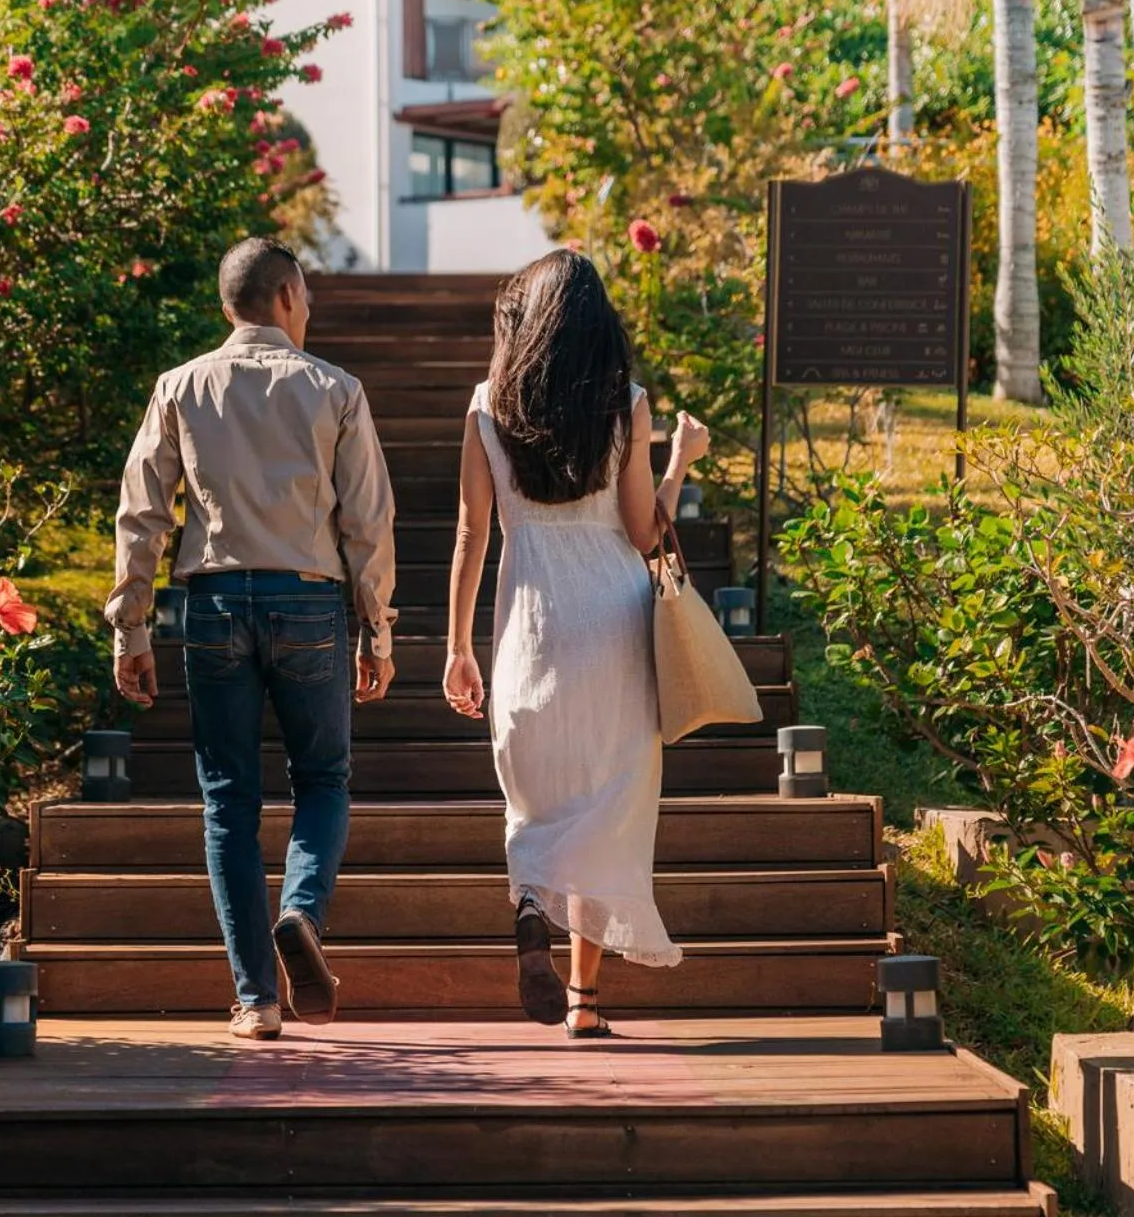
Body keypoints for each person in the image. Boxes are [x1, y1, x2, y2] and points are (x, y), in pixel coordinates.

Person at [106, 237, 398, 1041]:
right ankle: (301, 910)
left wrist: (130, 627)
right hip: (308, 601)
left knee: (228, 801)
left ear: (227, 306)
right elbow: (368, 522)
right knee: (325, 778)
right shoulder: (336, 389)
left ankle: (256, 1000)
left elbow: (143, 514)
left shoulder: (179, 387)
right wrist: (377, 631)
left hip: (212, 604)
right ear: (286, 297)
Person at [442, 249, 710, 1039]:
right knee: (607, 806)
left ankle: (529, 903)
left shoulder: (487, 406)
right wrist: (677, 467)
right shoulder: (626, 405)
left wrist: (458, 645)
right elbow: (640, 533)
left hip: (529, 632)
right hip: (613, 628)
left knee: (535, 797)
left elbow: (471, 533)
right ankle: (585, 1001)